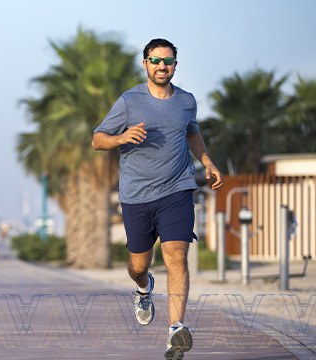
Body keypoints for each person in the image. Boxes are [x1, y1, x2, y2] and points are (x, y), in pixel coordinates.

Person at [92, 38, 223, 359]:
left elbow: (192, 132)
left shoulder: (186, 101)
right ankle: (143, 287)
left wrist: (207, 162)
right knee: (139, 264)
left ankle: (176, 328)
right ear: (145, 64)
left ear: (175, 65)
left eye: (167, 61)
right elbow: (97, 139)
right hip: (136, 196)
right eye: (155, 60)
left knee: (176, 255)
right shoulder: (129, 101)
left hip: (177, 190)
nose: (161, 66)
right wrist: (122, 137)